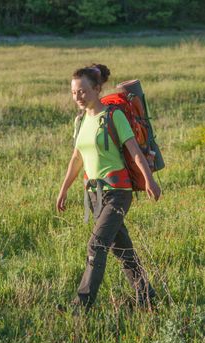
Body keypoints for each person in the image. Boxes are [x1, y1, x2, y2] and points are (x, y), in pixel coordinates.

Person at [56, 63, 161, 313]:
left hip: (117, 193)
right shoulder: (80, 121)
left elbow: (135, 151)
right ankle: (148, 297)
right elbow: (76, 159)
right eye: (73, 92)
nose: (78, 97)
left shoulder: (114, 116)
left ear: (97, 89)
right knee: (122, 249)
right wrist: (63, 190)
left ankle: (81, 305)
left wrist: (150, 180)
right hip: (94, 195)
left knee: (96, 245)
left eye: (82, 91)